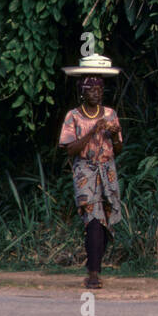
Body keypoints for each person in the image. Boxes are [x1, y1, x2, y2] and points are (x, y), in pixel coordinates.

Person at [58, 75, 124, 289]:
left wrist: (114, 136)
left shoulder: (110, 114)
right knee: (93, 218)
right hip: (85, 171)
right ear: (82, 93)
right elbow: (70, 149)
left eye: (99, 89)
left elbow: (119, 149)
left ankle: (95, 264)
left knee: (106, 220)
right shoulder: (74, 116)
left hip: (108, 171)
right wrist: (93, 131)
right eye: (91, 89)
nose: (96, 93)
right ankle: (93, 273)